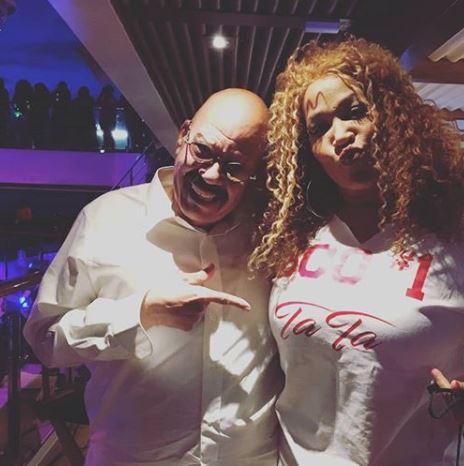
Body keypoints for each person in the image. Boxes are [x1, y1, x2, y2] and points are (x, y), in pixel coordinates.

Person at [249, 38, 464, 465]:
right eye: (319, 128)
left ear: (393, 113)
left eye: (355, 111)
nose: (340, 134)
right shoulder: (292, 232)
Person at [24, 88, 282, 465]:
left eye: (234, 166)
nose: (212, 174)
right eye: (203, 150)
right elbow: (45, 341)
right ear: (183, 135)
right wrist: (141, 312)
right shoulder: (104, 219)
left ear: (254, 172)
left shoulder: (270, 232)